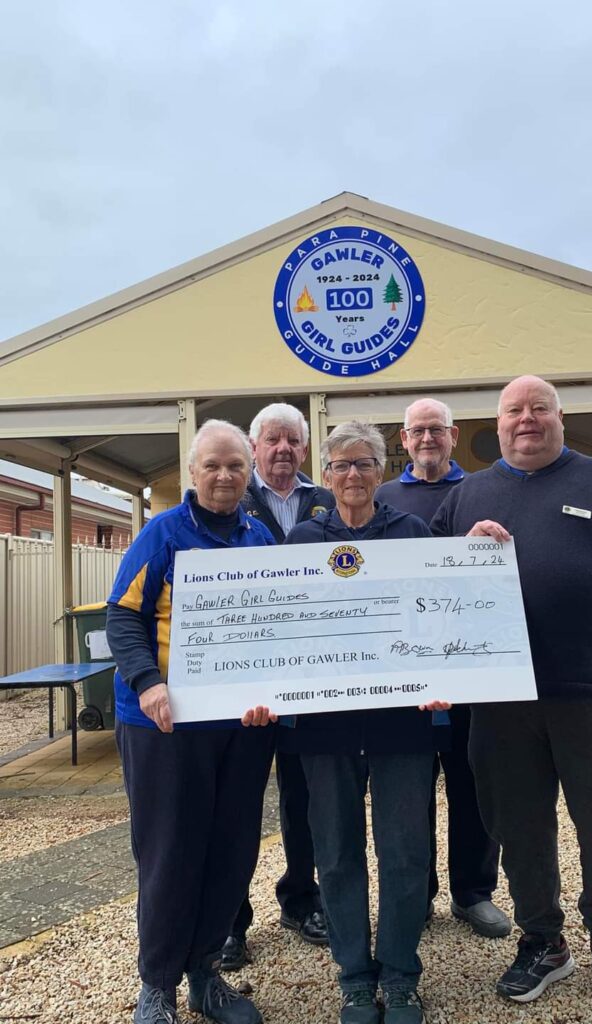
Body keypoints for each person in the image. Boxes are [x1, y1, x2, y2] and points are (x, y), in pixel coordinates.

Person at [431, 376, 592, 1008]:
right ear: (498, 424)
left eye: (539, 409)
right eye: (514, 411)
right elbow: (425, 585)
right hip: (502, 698)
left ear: (559, 417)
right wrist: (462, 555)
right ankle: (542, 940)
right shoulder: (469, 496)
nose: (527, 420)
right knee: (519, 824)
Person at [107, 419, 277, 1024]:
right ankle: (157, 984)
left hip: (241, 727)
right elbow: (121, 620)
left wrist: (271, 693)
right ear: (193, 473)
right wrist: (148, 683)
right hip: (165, 726)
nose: (226, 476)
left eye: (236, 465)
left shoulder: (260, 539)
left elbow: (275, 632)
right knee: (169, 851)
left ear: (250, 469)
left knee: (231, 849)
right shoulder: (161, 535)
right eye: (213, 466)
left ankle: (206, 972)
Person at [281, 421, 451, 1024]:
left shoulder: (412, 531)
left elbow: (436, 618)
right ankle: (355, 977)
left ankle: (401, 975)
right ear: (324, 476)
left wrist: (441, 681)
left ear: (384, 470)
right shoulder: (302, 539)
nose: (353, 475)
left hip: (401, 721)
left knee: (406, 853)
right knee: (337, 853)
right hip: (325, 726)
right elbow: (284, 628)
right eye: (341, 465)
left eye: (365, 463)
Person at [375, 398, 510, 939]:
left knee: (474, 783)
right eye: (416, 431)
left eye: (437, 429)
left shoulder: (482, 490)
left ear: (454, 435)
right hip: (405, 671)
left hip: (468, 670)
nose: (427, 438)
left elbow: (498, 573)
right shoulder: (383, 496)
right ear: (402, 441)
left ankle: (474, 893)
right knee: (408, 790)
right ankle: (418, 892)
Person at [221, 403, 333, 970]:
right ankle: (230, 921)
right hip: (242, 681)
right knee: (237, 802)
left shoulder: (328, 501)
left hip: (309, 681)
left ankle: (300, 898)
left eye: (293, 440)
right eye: (273, 440)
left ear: (305, 450)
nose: (284, 449)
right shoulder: (230, 500)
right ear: (254, 445)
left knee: (303, 798)